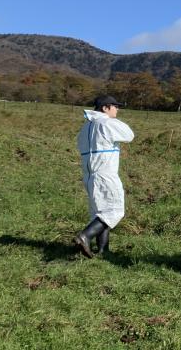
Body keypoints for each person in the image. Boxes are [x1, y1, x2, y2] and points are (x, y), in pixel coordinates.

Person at [73, 95, 134, 258]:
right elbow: (129, 135)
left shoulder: (86, 127)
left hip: (89, 176)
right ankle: (85, 236)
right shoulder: (106, 123)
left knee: (100, 213)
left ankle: (103, 251)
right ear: (105, 108)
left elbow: (79, 144)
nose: (117, 109)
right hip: (105, 174)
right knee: (114, 211)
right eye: (115, 106)